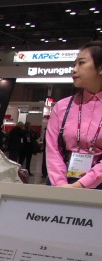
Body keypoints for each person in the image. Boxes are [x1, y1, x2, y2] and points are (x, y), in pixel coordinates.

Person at [45, 40, 102, 189]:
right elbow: (53, 149)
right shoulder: (62, 106)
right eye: (74, 64)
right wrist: (61, 185)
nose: (74, 69)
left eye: (81, 63)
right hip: (61, 183)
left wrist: (81, 185)